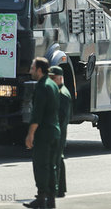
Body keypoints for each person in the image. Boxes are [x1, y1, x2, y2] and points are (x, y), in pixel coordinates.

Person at [24, 57, 61, 209]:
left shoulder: (41, 87)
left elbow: (37, 113)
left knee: (41, 166)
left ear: (39, 70)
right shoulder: (52, 84)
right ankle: (51, 200)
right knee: (51, 166)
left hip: (44, 132)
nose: (30, 71)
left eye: (32, 68)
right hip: (55, 131)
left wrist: (30, 134)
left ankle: (41, 198)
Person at [48, 66, 72, 199]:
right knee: (57, 158)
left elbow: (60, 116)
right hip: (57, 130)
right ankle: (60, 189)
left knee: (55, 159)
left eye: (53, 78)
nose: (50, 80)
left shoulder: (62, 94)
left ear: (60, 78)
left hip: (57, 131)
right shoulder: (58, 90)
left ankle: (56, 189)